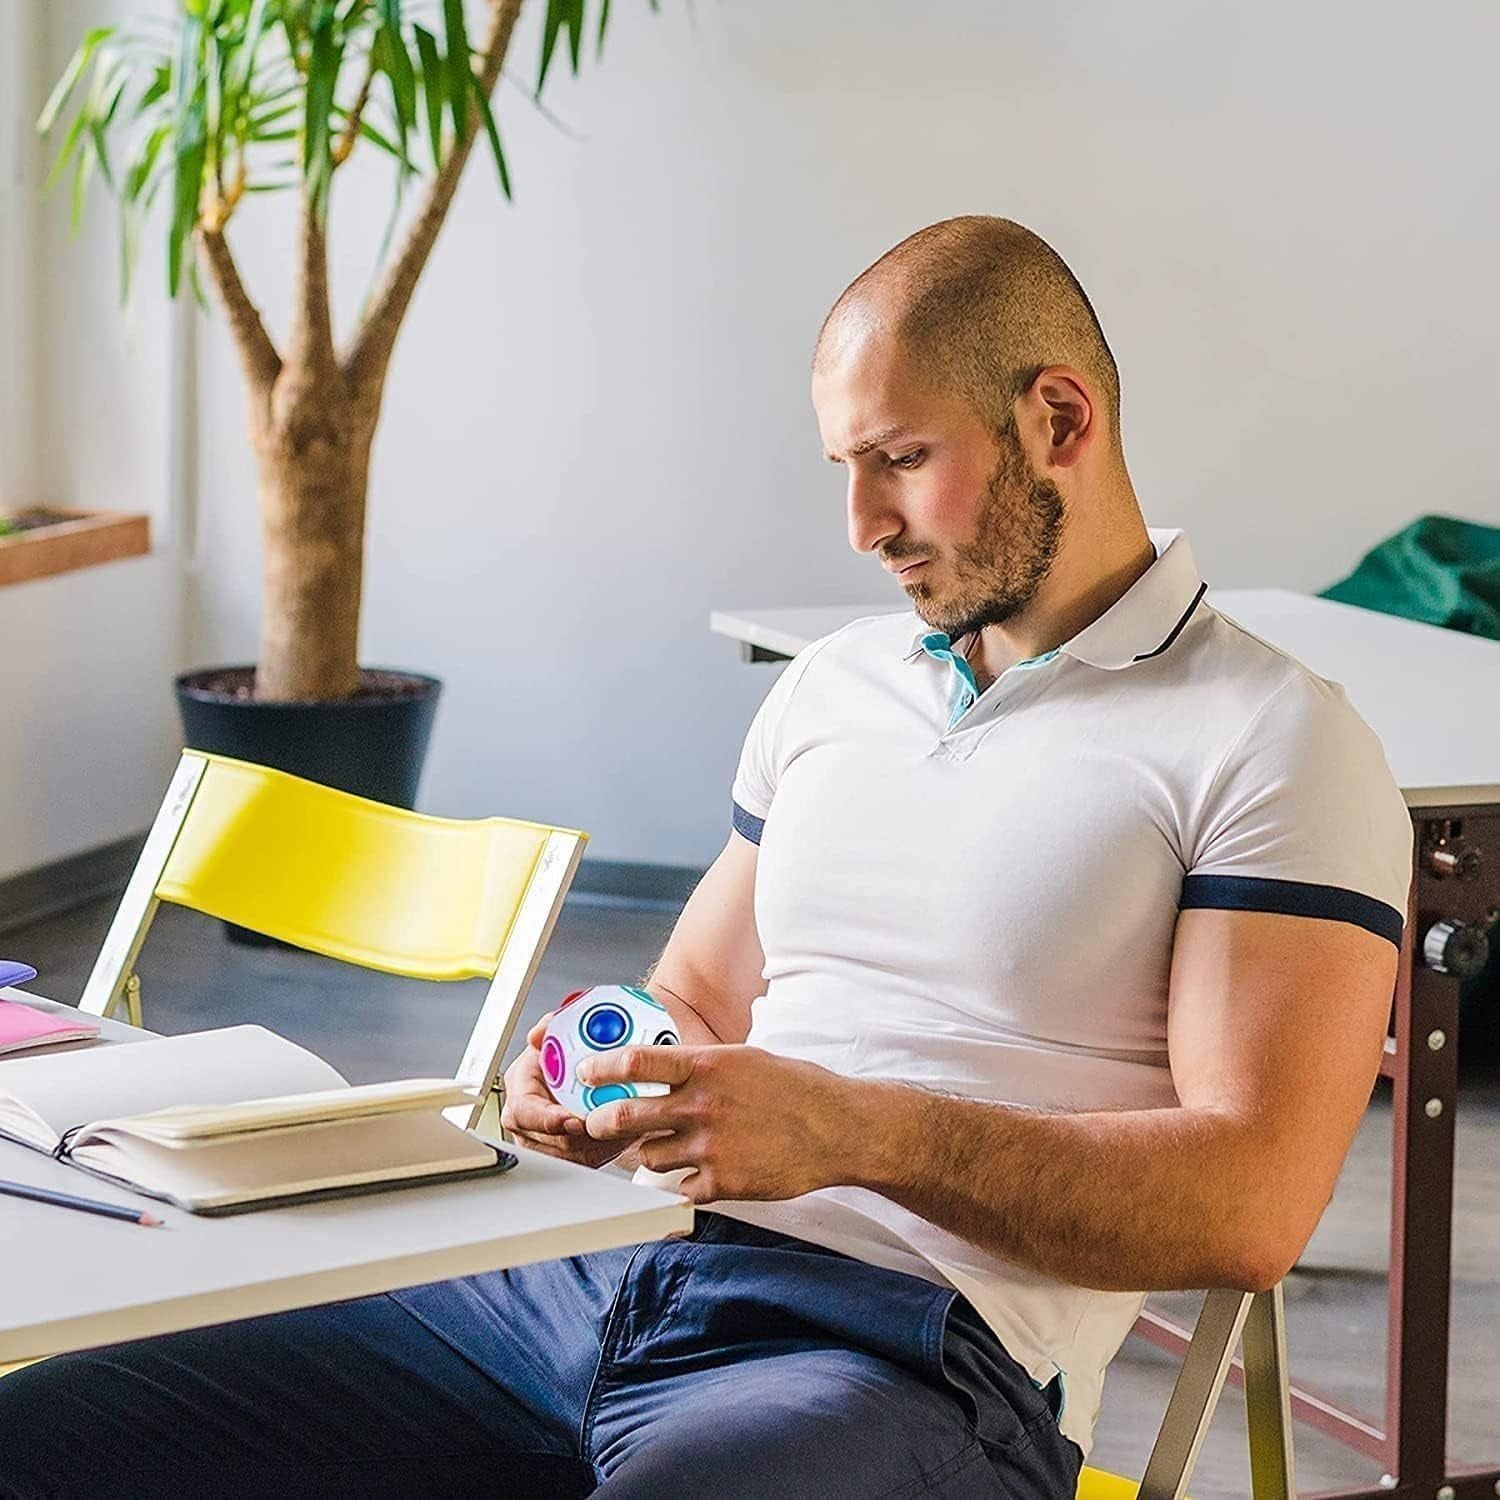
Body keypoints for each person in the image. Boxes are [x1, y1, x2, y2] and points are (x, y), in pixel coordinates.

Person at [0, 217, 1412, 1499]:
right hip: (570, 1270)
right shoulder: (832, 688)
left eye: (902, 461)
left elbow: (1247, 1207)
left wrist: (853, 1131)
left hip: (901, 1355)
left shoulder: (1272, 740)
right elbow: (698, 992)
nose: (861, 528)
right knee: (44, 1433)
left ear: (1058, 418)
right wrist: (605, 1062)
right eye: (843, 469)